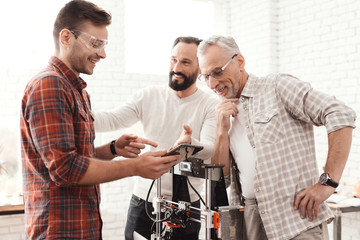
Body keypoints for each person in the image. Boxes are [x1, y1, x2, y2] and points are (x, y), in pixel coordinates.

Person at [20, 1, 178, 239]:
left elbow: (72, 156)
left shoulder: (78, 90)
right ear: (66, 37)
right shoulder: (49, 85)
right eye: (95, 44)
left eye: (104, 45)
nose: (103, 54)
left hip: (83, 228)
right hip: (60, 232)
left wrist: (112, 149)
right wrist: (135, 167)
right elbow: (64, 169)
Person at [197, 36, 356, 240]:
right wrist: (221, 131)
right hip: (251, 220)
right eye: (206, 76)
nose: (212, 83)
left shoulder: (276, 87)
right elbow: (223, 180)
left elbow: (340, 114)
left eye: (217, 72)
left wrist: (328, 182)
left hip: (295, 221)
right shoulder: (223, 112)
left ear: (240, 62)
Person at [94, 36, 219, 239]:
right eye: (173, 60)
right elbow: (112, 119)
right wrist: (75, 114)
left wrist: (191, 144)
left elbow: (211, 149)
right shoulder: (149, 95)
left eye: (185, 62)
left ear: (200, 67)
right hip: (144, 200)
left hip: (186, 206)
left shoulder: (209, 104)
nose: (176, 67)